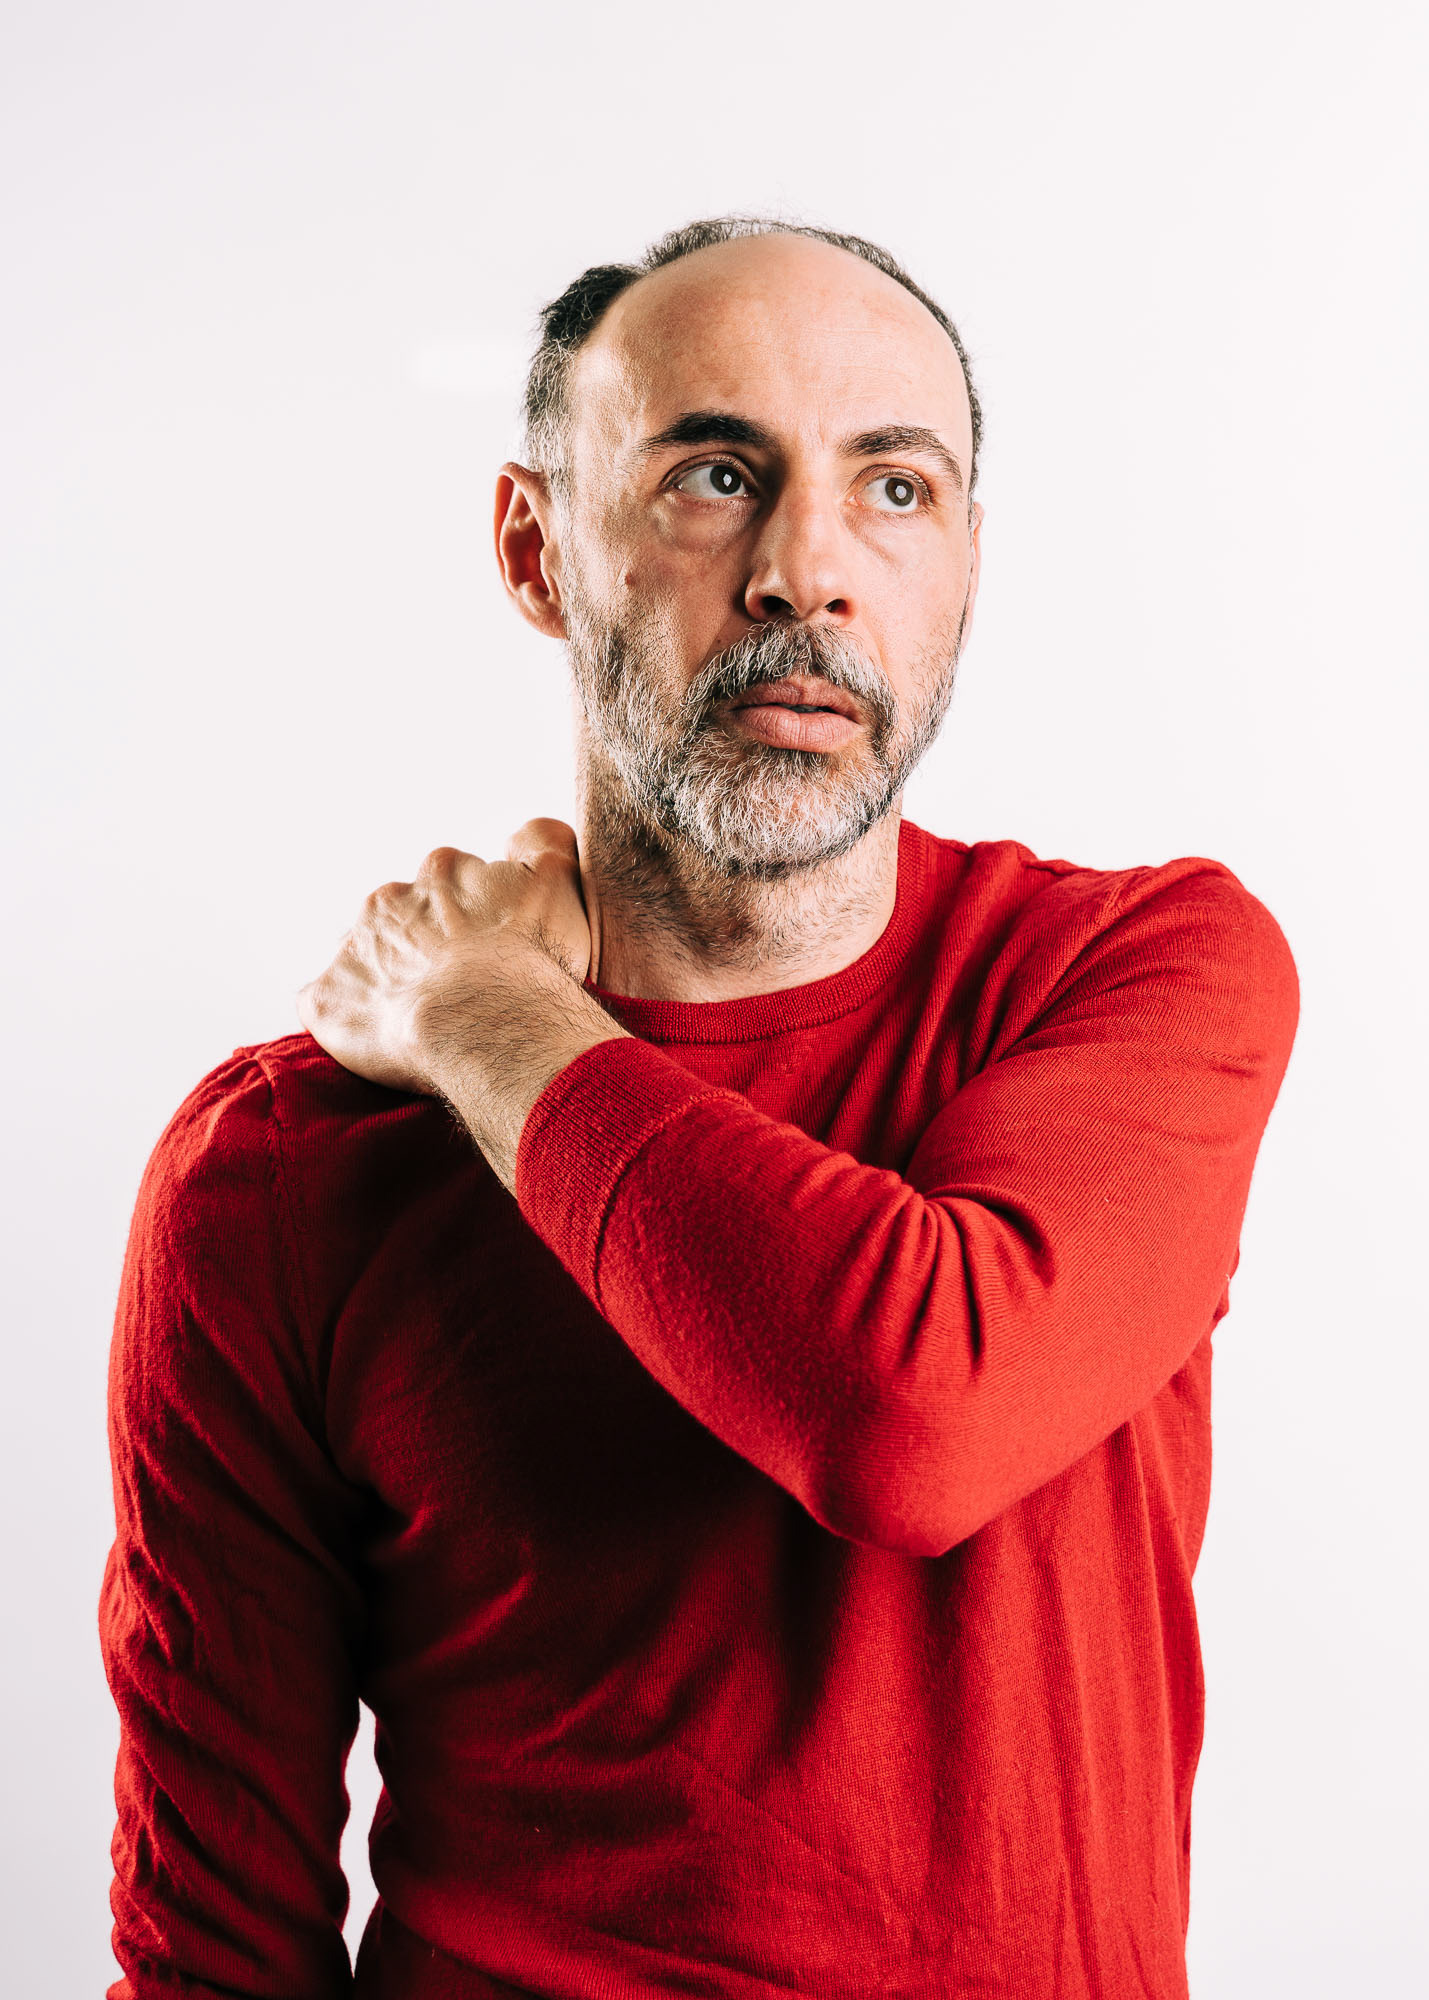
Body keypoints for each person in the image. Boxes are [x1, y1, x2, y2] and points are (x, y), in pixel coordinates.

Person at [101, 216, 1299, 2000]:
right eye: (713, 476)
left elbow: (909, 1414)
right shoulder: (282, 1171)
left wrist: (496, 1020)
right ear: (536, 548)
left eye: (894, 490)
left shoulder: (1131, 975)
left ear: (967, 560)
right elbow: (215, 1954)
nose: (805, 572)